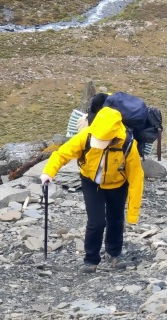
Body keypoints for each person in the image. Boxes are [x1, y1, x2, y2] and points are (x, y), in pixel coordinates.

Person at [40, 107, 144, 273]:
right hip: (90, 181)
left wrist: (133, 214)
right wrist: (48, 173)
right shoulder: (87, 134)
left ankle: (114, 254)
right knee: (96, 222)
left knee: (116, 219)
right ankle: (91, 260)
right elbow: (62, 154)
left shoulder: (128, 143)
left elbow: (136, 179)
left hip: (117, 184)